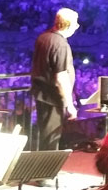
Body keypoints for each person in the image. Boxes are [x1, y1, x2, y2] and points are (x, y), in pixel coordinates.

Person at [31, 8, 80, 151]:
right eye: (76, 23)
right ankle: (47, 165)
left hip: (42, 94)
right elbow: (61, 77)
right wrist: (69, 105)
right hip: (53, 98)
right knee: (51, 139)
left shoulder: (43, 37)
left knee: (45, 136)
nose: (77, 27)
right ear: (68, 25)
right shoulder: (60, 44)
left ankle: (44, 164)